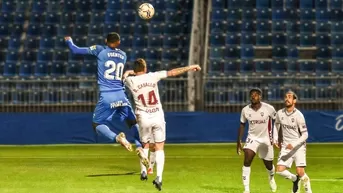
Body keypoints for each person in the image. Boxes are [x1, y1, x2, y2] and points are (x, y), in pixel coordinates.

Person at [64, 32, 148, 168]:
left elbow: (76, 50)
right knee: (132, 122)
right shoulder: (123, 55)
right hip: (121, 95)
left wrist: (69, 41)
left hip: (107, 96)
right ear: (118, 43)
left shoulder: (100, 50)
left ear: (105, 41)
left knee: (97, 124)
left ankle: (117, 138)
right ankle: (140, 147)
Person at [123, 58, 201, 191]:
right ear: (145, 68)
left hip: (143, 117)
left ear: (135, 70)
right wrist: (190, 67)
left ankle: (143, 171)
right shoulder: (153, 76)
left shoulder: (131, 81)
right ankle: (158, 177)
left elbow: (124, 76)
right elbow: (173, 72)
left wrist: (130, 72)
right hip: (157, 116)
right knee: (159, 147)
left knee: (145, 145)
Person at [236, 88, 277, 193]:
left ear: (260, 97)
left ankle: (271, 177)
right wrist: (239, 141)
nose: (253, 96)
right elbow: (242, 124)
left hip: (266, 139)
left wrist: (276, 137)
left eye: (256, 94)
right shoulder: (245, 110)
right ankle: (246, 189)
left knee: (268, 165)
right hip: (252, 138)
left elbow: (277, 121)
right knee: (247, 160)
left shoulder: (269, 108)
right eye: (251, 94)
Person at [274, 91, 312, 193]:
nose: (287, 99)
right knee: (279, 170)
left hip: (298, 147)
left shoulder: (299, 115)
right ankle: (295, 179)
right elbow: (276, 124)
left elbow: (305, 135)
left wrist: (294, 144)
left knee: (300, 172)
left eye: (289, 97)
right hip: (286, 146)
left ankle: (308, 189)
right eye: (286, 97)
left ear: (294, 100)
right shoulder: (280, 113)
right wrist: (275, 138)